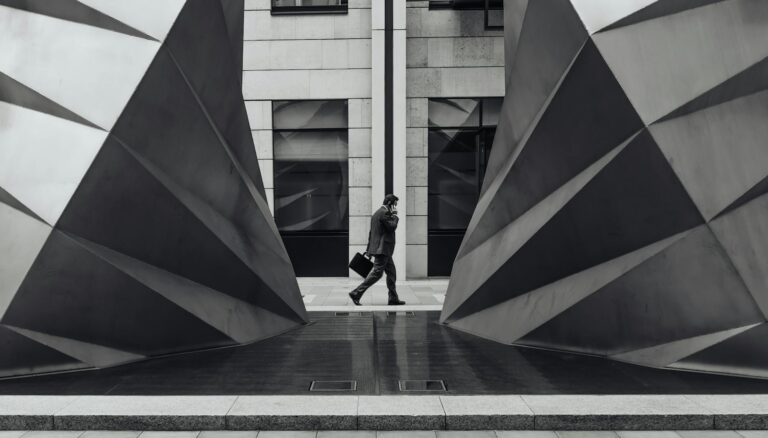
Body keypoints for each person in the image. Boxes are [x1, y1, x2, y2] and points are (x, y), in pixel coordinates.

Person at [349, 194, 405, 306]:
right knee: (377, 273)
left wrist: (369, 249)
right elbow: (391, 227)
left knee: (392, 273)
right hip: (383, 249)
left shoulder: (376, 213)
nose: (395, 207)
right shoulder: (384, 213)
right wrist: (395, 216)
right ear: (389, 203)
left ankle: (393, 298)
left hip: (383, 250)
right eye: (395, 205)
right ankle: (356, 293)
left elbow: (372, 233)